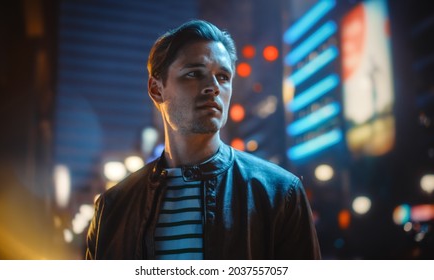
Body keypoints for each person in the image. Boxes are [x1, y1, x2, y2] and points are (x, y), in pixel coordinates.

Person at [85, 19, 321, 260]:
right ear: (157, 89)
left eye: (223, 76)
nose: (213, 87)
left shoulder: (280, 194)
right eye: (194, 74)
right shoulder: (112, 209)